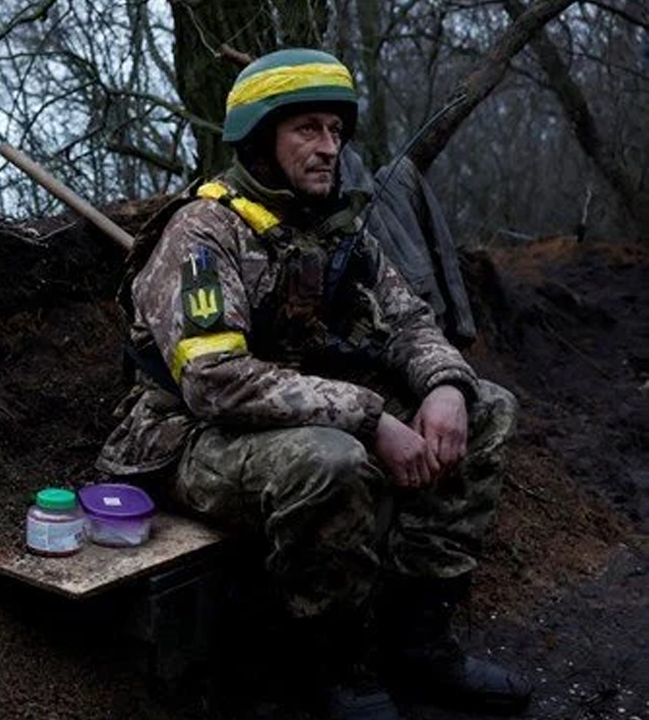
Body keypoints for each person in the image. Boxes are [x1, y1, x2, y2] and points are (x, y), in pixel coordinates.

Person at [96, 48, 532, 720]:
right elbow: (215, 382)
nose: (329, 148)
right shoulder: (203, 234)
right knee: (330, 460)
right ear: (262, 140)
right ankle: (332, 666)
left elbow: (411, 321)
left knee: (489, 407)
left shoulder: (336, 230)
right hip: (190, 438)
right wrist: (368, 415)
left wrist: (446, 384)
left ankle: (419, 638)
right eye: (308, 130)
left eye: (335, 131)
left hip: (301, 415)